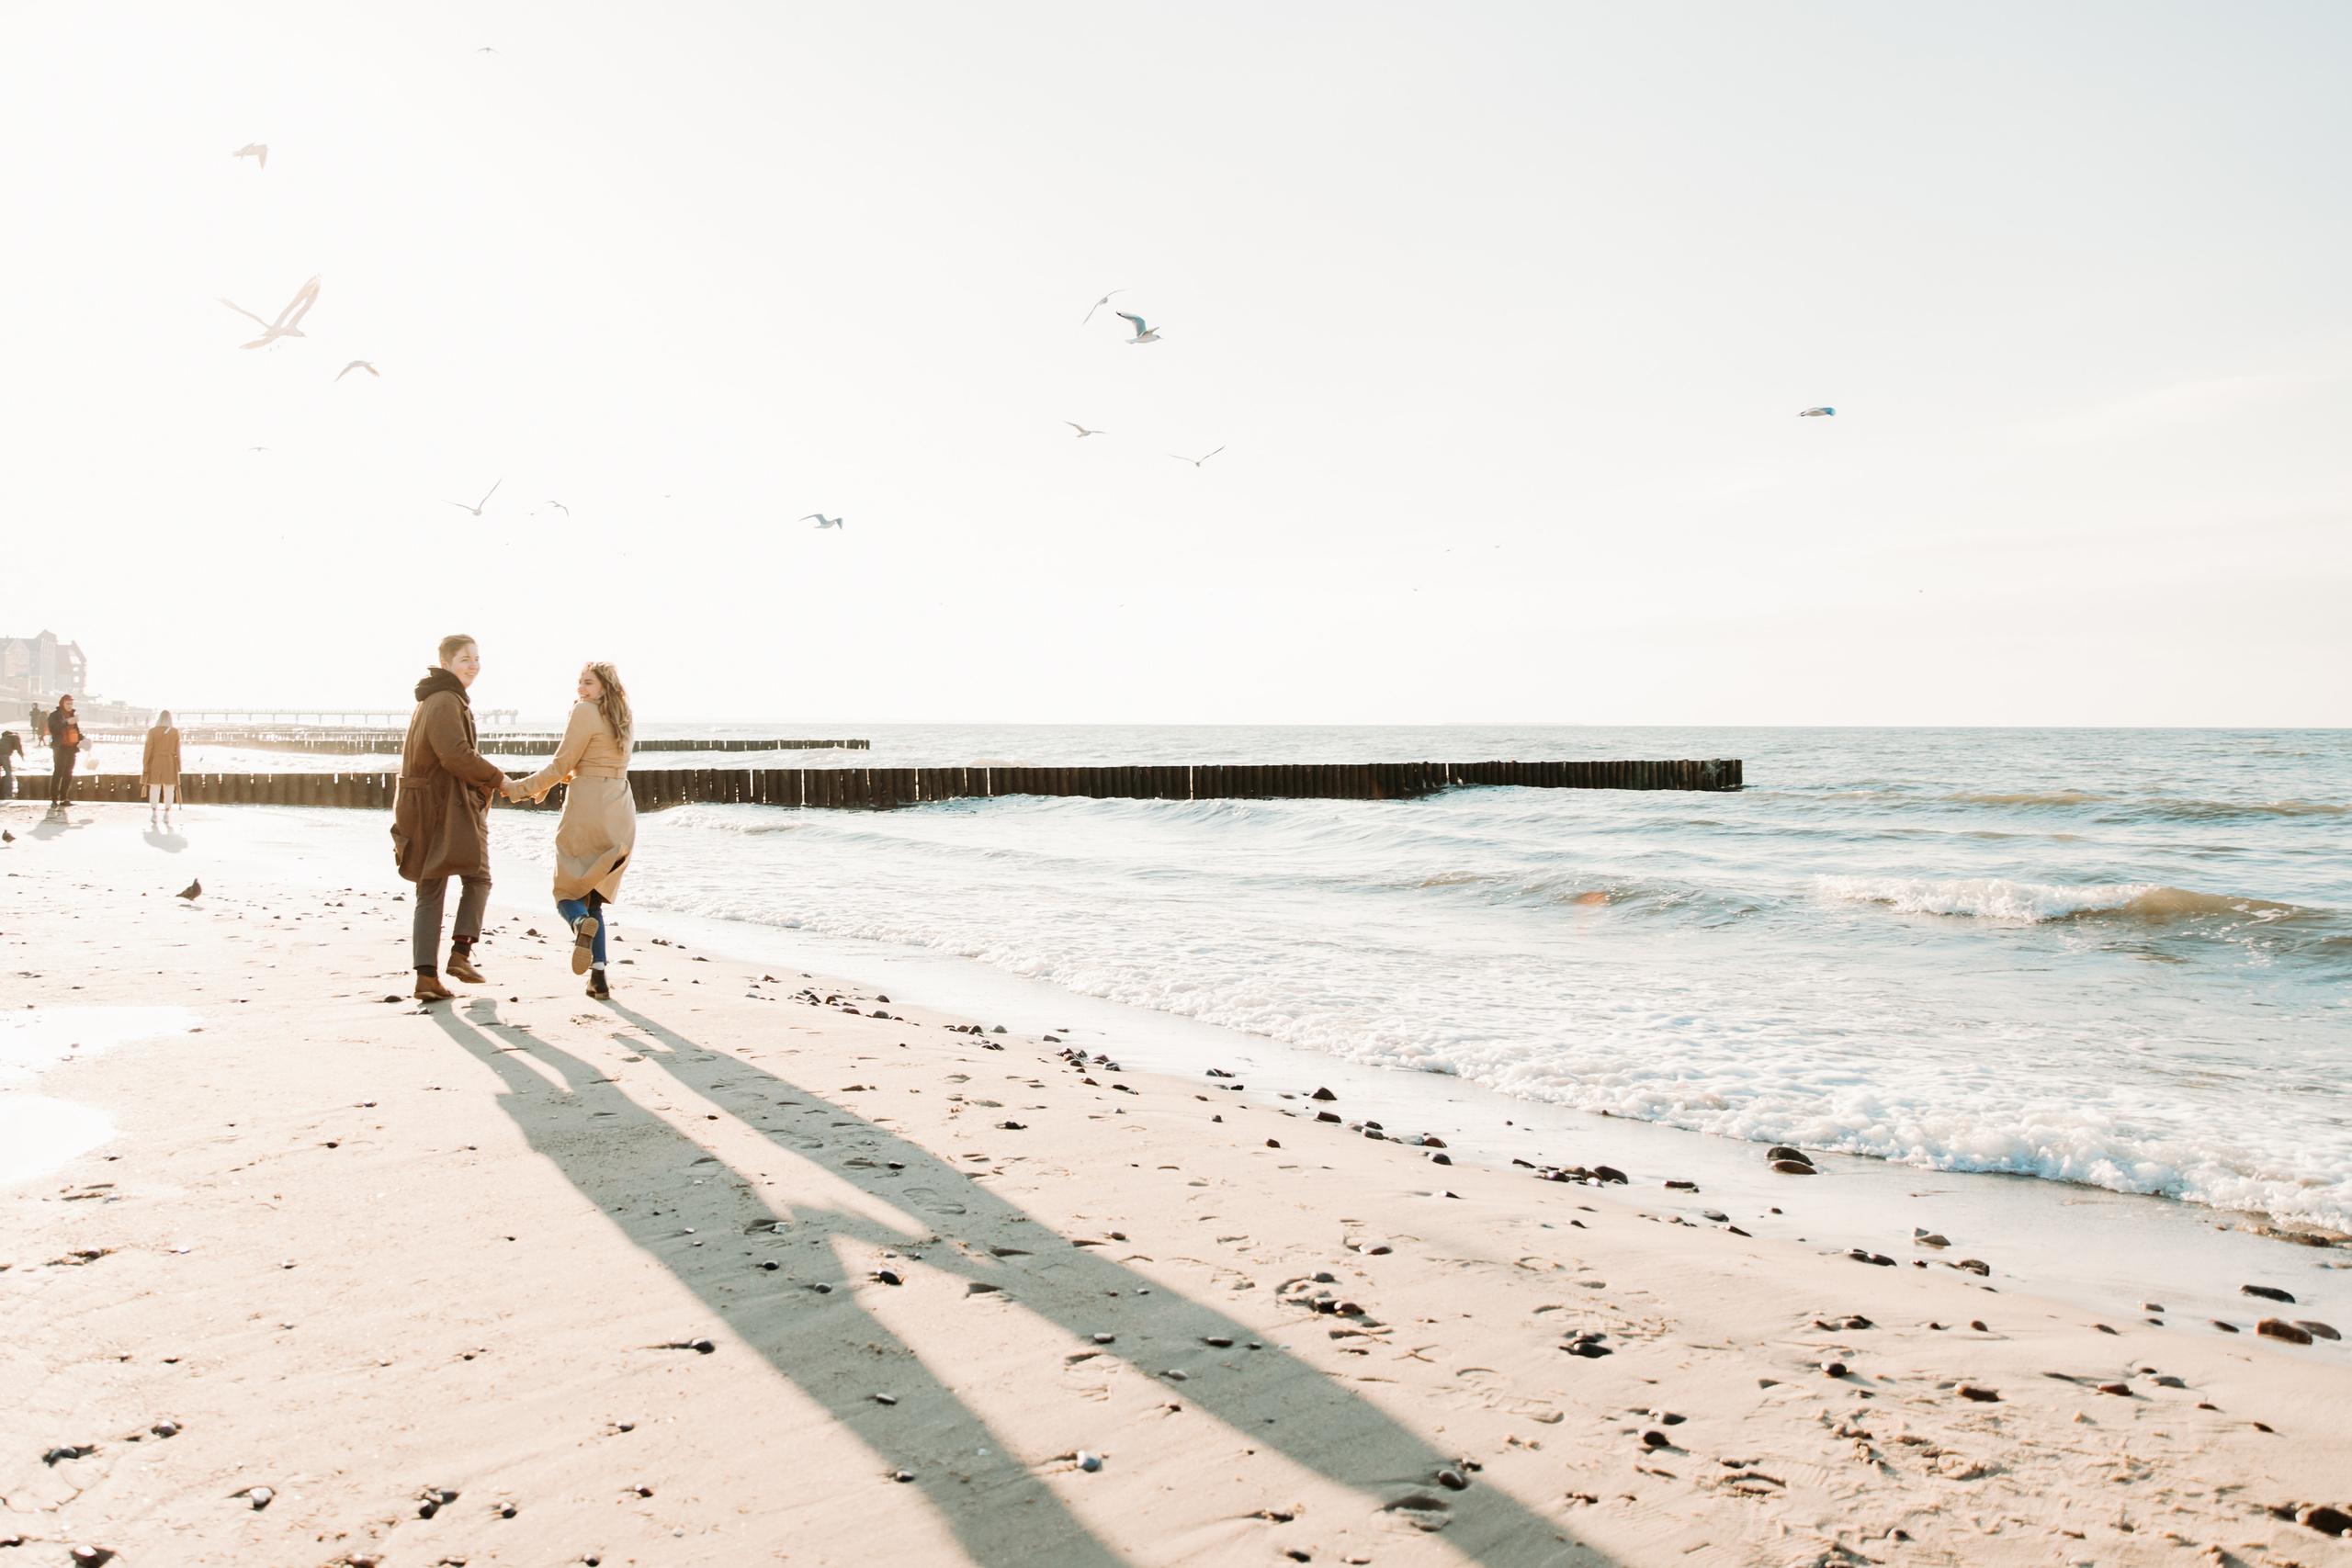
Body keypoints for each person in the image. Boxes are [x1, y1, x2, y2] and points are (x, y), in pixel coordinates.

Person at [506, 662, 636, 1000]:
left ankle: (578, 925)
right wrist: (552, 784)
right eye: (579, 682)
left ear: (604, 687)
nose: (581, 688)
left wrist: (520, 788)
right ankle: (598, 978)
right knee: (592, 894)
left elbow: (562, 764)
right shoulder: (622, 714)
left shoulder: (584, 712)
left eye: (588, 683)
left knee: (567, 890)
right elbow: (598, 760)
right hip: (620, 808)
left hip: (588, 807)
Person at [391, 636, 510, 1001]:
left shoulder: (434, 697)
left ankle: (427, 977)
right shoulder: (445, 699)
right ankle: (459, 954)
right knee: (478, 877)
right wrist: (498, 779)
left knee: (431, 887)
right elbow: (455, 755)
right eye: (464, 659)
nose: (473, 665)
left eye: (477, 658)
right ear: (445, 663)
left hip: (424, 802)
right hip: (440, 805)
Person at [142, 709, 183, 818]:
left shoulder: (152, 731)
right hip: (170, 762)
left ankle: (154, 812)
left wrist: (145, 766)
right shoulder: (174, 732)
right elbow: (177, 750)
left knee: (155, 787)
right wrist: (179, 766)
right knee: (169, 788)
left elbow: (147, 751)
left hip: (155, 761)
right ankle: (166, 812)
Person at [46, 695, 81, 808]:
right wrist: (66, 722)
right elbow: (53, 729)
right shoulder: (54, 715)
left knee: (68, 774)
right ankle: (54, 798)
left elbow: (75, 731)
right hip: (60, 747)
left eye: (71, 704)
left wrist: (83, 740)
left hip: (71, 748)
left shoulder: (72, 716)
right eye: (67, 704)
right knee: (58, 772)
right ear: (62, 704)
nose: (70, 706)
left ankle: (64, 798)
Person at [0, 728, 19, 799]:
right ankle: (8, 794)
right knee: (8, 774)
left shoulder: (4, 739)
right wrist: (23, 757)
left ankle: (1, 794)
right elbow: (19, 747)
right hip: (4, 755)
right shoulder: (15, 736)